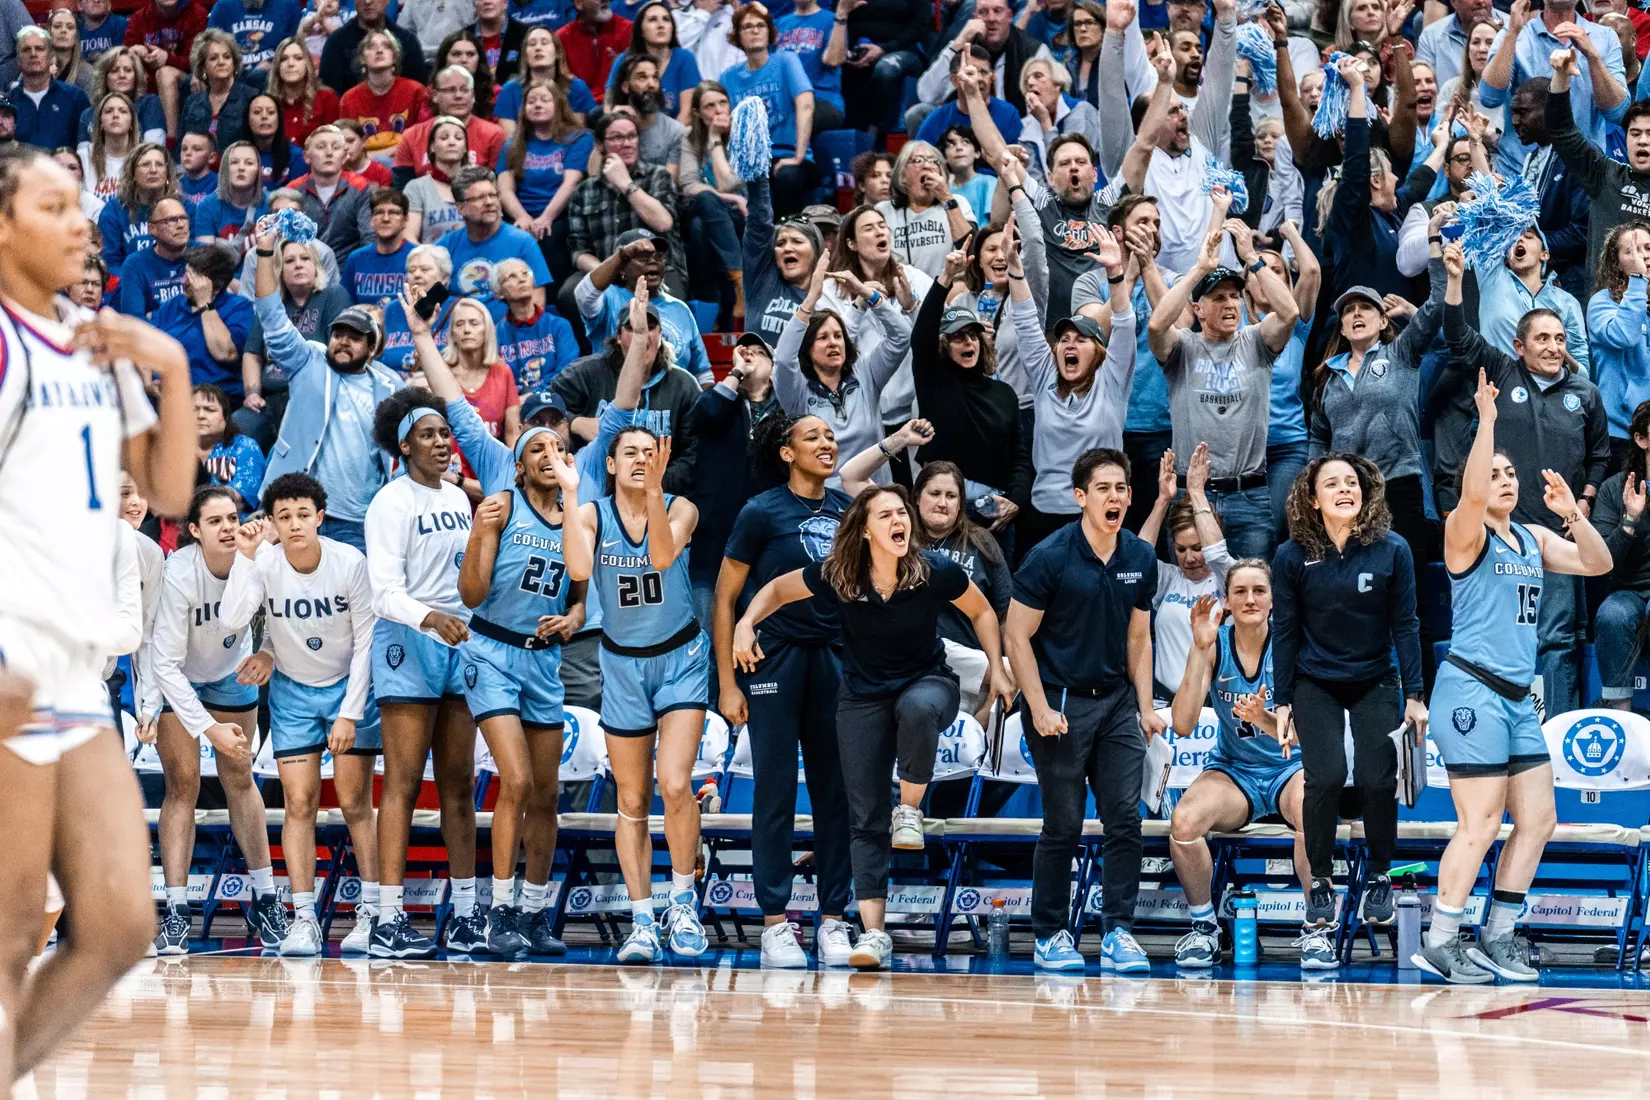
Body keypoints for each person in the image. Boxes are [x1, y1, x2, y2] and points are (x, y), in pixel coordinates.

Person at [0, 142, 192, 1088]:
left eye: (80, 205)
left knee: (117, 924)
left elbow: (167, 489)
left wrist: (172, 367)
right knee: (6, 938)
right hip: (10, 656)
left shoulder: (89, 334)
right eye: (51, 207)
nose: (79, 223)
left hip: (75, 664)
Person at [733, 483, 1010, 970]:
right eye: (885, 515)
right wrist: (745, 623)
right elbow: (776, 589)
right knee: (863, 817)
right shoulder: (841, 574)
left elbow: (982, 609)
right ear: (864, 531)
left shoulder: (933, 570)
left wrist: (997, 667)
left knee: (917, 709)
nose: (898, 520)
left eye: (902, 512)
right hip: (863, 697)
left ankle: (910, 809)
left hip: (929, 683)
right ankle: (874, 933)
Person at [1415, 369, 1609, 982]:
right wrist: (1488, 421)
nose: (1505, 480)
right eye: (1494, 473)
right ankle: (1441, 939)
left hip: (1519, 699)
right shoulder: (1463, 532)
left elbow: (1597, 563)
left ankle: (1498, 934)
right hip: (1471, 690)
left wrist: (1573, 515)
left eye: (1510, 473)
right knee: (1479, 824)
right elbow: (1472, 495)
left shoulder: (1532, 537)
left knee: (1539, 820)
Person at [560, 424, 713, 965]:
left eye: (651, 452)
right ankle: (642, 920)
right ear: (610, 463)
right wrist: (570, 494)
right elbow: (579, 569)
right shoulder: (591, 514)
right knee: (631, 801)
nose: (641, 459)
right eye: (630, 452)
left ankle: (684, 905)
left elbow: (663, 557)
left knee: (673, 783)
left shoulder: (681, 507)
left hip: (680, 658)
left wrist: (654, 491)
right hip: (622, 664)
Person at [1272, 452, 1427, 970]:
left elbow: (1406, 624)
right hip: (1314, 680)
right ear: (1314, 499)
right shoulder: (1291, 556)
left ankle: (1380, 873)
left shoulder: (1393, 549)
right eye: (1332, 484)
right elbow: (1284, 630)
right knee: (1327, 776)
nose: (1345, 489)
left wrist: (1415, 693)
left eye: (1352, 483)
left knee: (1377, 777)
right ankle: (1320, 881)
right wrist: (1282, 699)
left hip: (1375, 676)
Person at [218, 474, 383, 956]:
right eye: (284, 516)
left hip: (347, 687)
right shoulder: (264, 562)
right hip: (291, 693)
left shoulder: (350, 563)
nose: (294, 524)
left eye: (303, 515)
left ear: (320, 518)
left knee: (355, 803)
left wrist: (350, 713)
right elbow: (232, 619)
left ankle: (372, 913)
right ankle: (305, 919)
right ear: (272, 521)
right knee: (298, 804)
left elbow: (367, 643)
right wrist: (245, 557)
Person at [1442, 242, 1610, 717]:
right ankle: (1496, 721)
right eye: (1542, 339)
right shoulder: (1501, 371)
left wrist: (1585, 501)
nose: (1554, 347)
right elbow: (1457, 335)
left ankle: (1553, 727)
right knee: (1500, 635)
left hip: (1553, 534)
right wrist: (1454, 282)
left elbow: (1600, 455)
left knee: (1557, 641)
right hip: (1499, 532)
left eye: (1560, 338)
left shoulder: (1586, 393)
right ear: (1519, 346)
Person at [712, 412, 855, 968]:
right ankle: (775, 923)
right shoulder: (761, 511)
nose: (827, 443)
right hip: (773, 658)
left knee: (835, 795)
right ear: (787, 453)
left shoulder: (847, 511)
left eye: (830, 435)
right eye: (812, 436)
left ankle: (834, 920)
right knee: (774, 794)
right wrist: (728, 682)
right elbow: (725, 599)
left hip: (834, 659)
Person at [456, 415, 587, 955]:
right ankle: (499, 911)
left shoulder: (578, 517)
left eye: (558, 447)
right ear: (518, 466)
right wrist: (478, 533)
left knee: (547, 794)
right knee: (516, 781)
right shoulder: (503, 508)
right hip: (491, 652)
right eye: (537, 448)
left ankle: (534, 914)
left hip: (543, 660)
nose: (549, 454)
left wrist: (572, 621)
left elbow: (579, 601)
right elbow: (470, 595)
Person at [362, 387, 485, 958]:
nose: (441, 443)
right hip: (410, 639)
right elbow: (383, 593)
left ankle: (465, 915)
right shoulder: (390, 502)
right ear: (405, 444)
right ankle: (387, 919)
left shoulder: (459, 497)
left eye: (445, 433)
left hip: (459, 638)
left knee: (459, 782)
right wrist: (431, 617)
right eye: (428, 435)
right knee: (404, 782)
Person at [143, 487, 286, 955]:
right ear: (194, 531)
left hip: (230, 673)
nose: (228, 528)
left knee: (240, 779)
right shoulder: (179, 574)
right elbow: (165, 664)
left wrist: (267, 651)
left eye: (233, 518)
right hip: (179, 675)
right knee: (181, 785)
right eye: (215, 521)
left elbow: (280, 616)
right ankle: (177, 911)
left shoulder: (259, 557)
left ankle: (267, 899)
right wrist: (208, 729)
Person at [1168, 567, 1311, 968]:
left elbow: (1309, 735)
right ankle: (1205, 927)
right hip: (1235, 771)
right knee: (1184, 821)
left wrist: (1264, 719)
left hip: (1289, 767)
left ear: (1273, 600)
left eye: (1259, 590)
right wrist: (1200, 650)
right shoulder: (1215, 645)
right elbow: (1182, 724)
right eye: (1241, 591)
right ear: (1227, 601)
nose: (1250, 599)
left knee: (1312, 808)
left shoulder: (1293, 645)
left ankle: (1317, 926)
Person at [1147, 228, 1301, 560]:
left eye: (1234, 296)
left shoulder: (1255, 341)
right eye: (1218, 297)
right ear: (1198, 310)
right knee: (1192, 586)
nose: (1230, 303)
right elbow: (1157, 326)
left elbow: (1290, 312)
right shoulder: (1183, 346)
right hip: (1191, 494)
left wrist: (1252, 259)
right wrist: (1199, 270)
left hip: (1249, 495)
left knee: (1252, 589)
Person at [251, 224, 406, 548]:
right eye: (339, 334)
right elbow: (271, 315)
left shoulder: (390, 385)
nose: (343, 341)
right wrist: (265, 251)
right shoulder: (310, 360)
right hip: (294, 509)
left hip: (357, 518)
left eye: (355, 337)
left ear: (373, 349)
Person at [1309, 264, 1446, 566]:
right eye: (1348, 311)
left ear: (1383, 320)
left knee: (1408, 574)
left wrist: (1436, 250)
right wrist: (1315, 481)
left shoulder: (1401, 352)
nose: (1356, 313)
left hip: (1399, 483)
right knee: (1356, 575)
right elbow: (1319, 436)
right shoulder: (1327, 376)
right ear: (1342, 328)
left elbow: (1438, 303)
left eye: (1366, 307)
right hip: (1347, 492)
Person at [773, 247, 914, 488]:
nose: (833, 343)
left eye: (838, 336)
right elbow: (784, 360)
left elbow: (901, 337)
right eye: (822, 337)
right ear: (807, 349)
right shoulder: (797, 392)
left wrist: (867, 293)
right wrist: (811, 299)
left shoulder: (866, 374)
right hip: (825, 503)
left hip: (874, 499)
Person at [1138, 444, 1230, 698]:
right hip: (1163, 700)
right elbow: (1137, 559)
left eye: (1198, 548)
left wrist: (1197, 493)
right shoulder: (1170, 578)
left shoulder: (1229, 578)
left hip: (1213, 704)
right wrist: (1162, 501)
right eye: (1181, 549)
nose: (1189, 558)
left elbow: (1218, 555)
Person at [575, 230, 713, 385]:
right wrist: (622, 254)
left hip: (674, 399)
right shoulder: (609, 298)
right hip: (617, 396)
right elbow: (583, 295)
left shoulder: (680, 309)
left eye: (658, 256)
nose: (652, 261)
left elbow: (702, 374)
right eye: (642, 257)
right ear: (622, 267)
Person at [719, 2, 814, 216]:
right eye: (747, 26)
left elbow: (806, 105)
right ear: (738, 35)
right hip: (753, 161)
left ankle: (790, 231)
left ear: (769, 32)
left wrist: (798, 156)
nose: (755, 30)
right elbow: (724, 123)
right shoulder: (728, 77)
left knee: (787, 177)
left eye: (760, 25)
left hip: (788, 154)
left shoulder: (786, 60)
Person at [566, 111, 679, 283]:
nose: (627, 144)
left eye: (632, 136)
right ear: (600, 145)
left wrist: (626, 184)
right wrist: (607, 272)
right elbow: (579, 250)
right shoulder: (583, 191)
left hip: (658, 271)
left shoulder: (658, 175)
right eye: (617, 138)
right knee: (569, 292)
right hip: (605, 272)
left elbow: (663, 223)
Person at [496, 78, 591, 282]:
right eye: (531, 101)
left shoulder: (579, 138)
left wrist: (547, 217)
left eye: (544, 100)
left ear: (559, 104)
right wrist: (522, 217)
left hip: (560, 215)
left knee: (551, 237)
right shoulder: (512, 144)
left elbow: (570, 183)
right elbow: (505, 189)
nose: (537, 105)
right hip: (521, 214)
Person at [1593, 401, 1650, 712]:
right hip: (1629, 590)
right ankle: (1620, 713)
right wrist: (1630, 519)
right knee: (1612, 614)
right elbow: (1604, 562)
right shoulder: (1614, 489)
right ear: (1641, 439)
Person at [439, 164, 553, 314]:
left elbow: (537, 304)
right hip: (460, 326)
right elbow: (426, 297)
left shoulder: (522, 242)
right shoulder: (446, 246)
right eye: (479, 198)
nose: (489, 202)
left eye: (493, 195)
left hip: (507, 328)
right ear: (461, 208)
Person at [1585, 221, 1650, 473]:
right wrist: (1637, 280)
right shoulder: (1602, 302)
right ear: (1617, 262)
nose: (1642, 256)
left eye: (1647, 248)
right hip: (1617, 434)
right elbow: (1624, 335)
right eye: (1631, 251)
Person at [154, 243, 254, 394]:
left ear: (216, 285)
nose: (184, 281)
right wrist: (148, 384)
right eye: (185, 274)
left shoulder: (238, 307)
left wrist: (205, 304)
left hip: (215, 394)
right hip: (169, 392)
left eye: (193, 277)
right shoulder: (171, 306)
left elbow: (224, 353)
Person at [877, 139, 975, 280]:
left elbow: (972, 250)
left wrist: (946, 198)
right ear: (902, 175)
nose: (927, 166)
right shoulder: (884, 211)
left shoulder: (957, 202)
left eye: (934, 161)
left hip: (949, 288)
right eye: (917, 160)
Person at [394, 65, 506, 180]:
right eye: (450, 90)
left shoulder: (494, 135)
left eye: (465, 90)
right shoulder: (412, 136)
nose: (458, 96)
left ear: (473, 96)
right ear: (435, 95)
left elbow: (497, 183)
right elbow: (402, 186)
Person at [337, 28, 430, 159]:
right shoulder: (349, 99)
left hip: (406, 162)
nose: (379, 50)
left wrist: (379, 156)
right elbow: (347, 149)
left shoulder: (416, 91)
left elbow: (423, 138)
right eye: (372, 46)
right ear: (362, 59)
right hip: (364, 166)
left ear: (395, 57)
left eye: (386, 46)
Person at [122, 0, 208, 138]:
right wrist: (134, 53)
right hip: (149, 89)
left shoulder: (197, 13)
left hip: (188, 83)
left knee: (165, 73)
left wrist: (167, 59)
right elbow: (123, 58)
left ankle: (171, 139)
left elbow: (198, 60)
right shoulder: (139, 18)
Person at [493, 25, 598, 137]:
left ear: (557, 52)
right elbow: (510, 139)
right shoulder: (510, 90)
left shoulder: (576, 87)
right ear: (525, 56)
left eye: (544, 43)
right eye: (532, 44)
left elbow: (576, 134)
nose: (538, 48)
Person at [495, 255, 577, 390]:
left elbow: (568, 374)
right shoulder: (494, 336)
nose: (522, 279)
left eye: (525, 274)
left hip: (555, 399)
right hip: (514, 402)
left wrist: (534, 395)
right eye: (512, 276)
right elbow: (495, 384)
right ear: (499, 293)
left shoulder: (559, 326)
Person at [606, 0, 699, 115]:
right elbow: (609, 107)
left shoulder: (685, 58)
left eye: (666, 19)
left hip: (676, 126)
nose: (661, 25)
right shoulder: (624, 60)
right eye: (652, 20)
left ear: (672, 28)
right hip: (631, 125)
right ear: (641, 30)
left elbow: (687, 114)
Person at [319, 0, 430, 94]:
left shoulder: (407, 41)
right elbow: (330, 95)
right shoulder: (336, 42)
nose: (368, 2)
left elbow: (418, 92)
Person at [11, 26, 92, 151]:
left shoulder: (75, 97)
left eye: (39, 49)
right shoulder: (10, 101)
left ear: (50, 57)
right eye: (26, 49)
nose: (33, 54)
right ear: (18, 60)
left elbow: (87, 146)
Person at [606, 53, 686, 174]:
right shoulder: (611, 128)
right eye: (642, 78)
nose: (651, 84)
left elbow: (668, 181)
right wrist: (609, 125)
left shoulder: (676, 132)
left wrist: (626, 184)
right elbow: (594, 174)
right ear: (626, 87)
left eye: (655, 78)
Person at [179, 28, 255, 152]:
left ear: (234, 63)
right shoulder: (192, 102)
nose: (221, 62)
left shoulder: (251, 97)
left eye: (227, 57)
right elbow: (181, 146)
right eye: (213, 58)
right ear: (203, 67)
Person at [193, 383, 265, 512]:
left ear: (225, 417)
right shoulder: (174, 451)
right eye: (194, 409)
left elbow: (239, 498)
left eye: (210, 410)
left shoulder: (243, 446)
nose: (201, 415)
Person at [117, 192, 189, 317]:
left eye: (183, 218)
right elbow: (134, 322)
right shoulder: (134, 265)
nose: (181, 225)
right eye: (171, 220)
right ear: (152, 229)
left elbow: (218, 308)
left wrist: (153, 316)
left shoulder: (204, 255)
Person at [79, 46, 167, 146]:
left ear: (136, 75)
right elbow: (82, 153)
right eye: (114, 70)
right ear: (104, 76)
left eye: (128, 70)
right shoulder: (88, 115)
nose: (122, 75)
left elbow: (154, 149)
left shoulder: (149, 104)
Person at [343, 187, 416, 304]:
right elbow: (345, 305)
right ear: (371, 220)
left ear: (405, 220)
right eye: (379, 213)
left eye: (393, 212)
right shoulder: (356, 259)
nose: (386, 219)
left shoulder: (417, 257)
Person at [403, 116, 469, 243]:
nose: (452, 142)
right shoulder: (416, 188)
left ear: (465, 147)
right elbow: (409, 237)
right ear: (432, 147)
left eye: (458, 138)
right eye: (444, 138)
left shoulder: (478, 184)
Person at [267, 36, 341, 146]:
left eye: (298, 58)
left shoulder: (327, 99)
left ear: (307, 64)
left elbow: (334, 144)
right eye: (283, 59)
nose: (290, 64)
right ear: (277, 66)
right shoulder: (268, 102)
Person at [191, 140, 268, 246]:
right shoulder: (206, 206)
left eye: (249, 163)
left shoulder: (270, 202)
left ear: (259, 170)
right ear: (224, 169)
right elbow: (205, 254)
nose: (241, 168)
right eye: (234, 162)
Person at [206, 0, 303, 82]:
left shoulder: (288, 5)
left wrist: (274, 64)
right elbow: (209, 45)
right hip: (232, 78)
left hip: (273, 78)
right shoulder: (223, 6)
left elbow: (296, 46)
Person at [557, 0, 631, 103]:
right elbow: (565, 85)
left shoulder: (627, 30)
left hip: (618, 104)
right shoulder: (562, 39)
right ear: (579, 3)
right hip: (580, 106)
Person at [47, 12, 92, 99]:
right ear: (49, 32)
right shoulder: (35, 67)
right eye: (57, 26)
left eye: (70, 27)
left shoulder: (87, 74)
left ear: (76, 35)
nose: (63, 30)